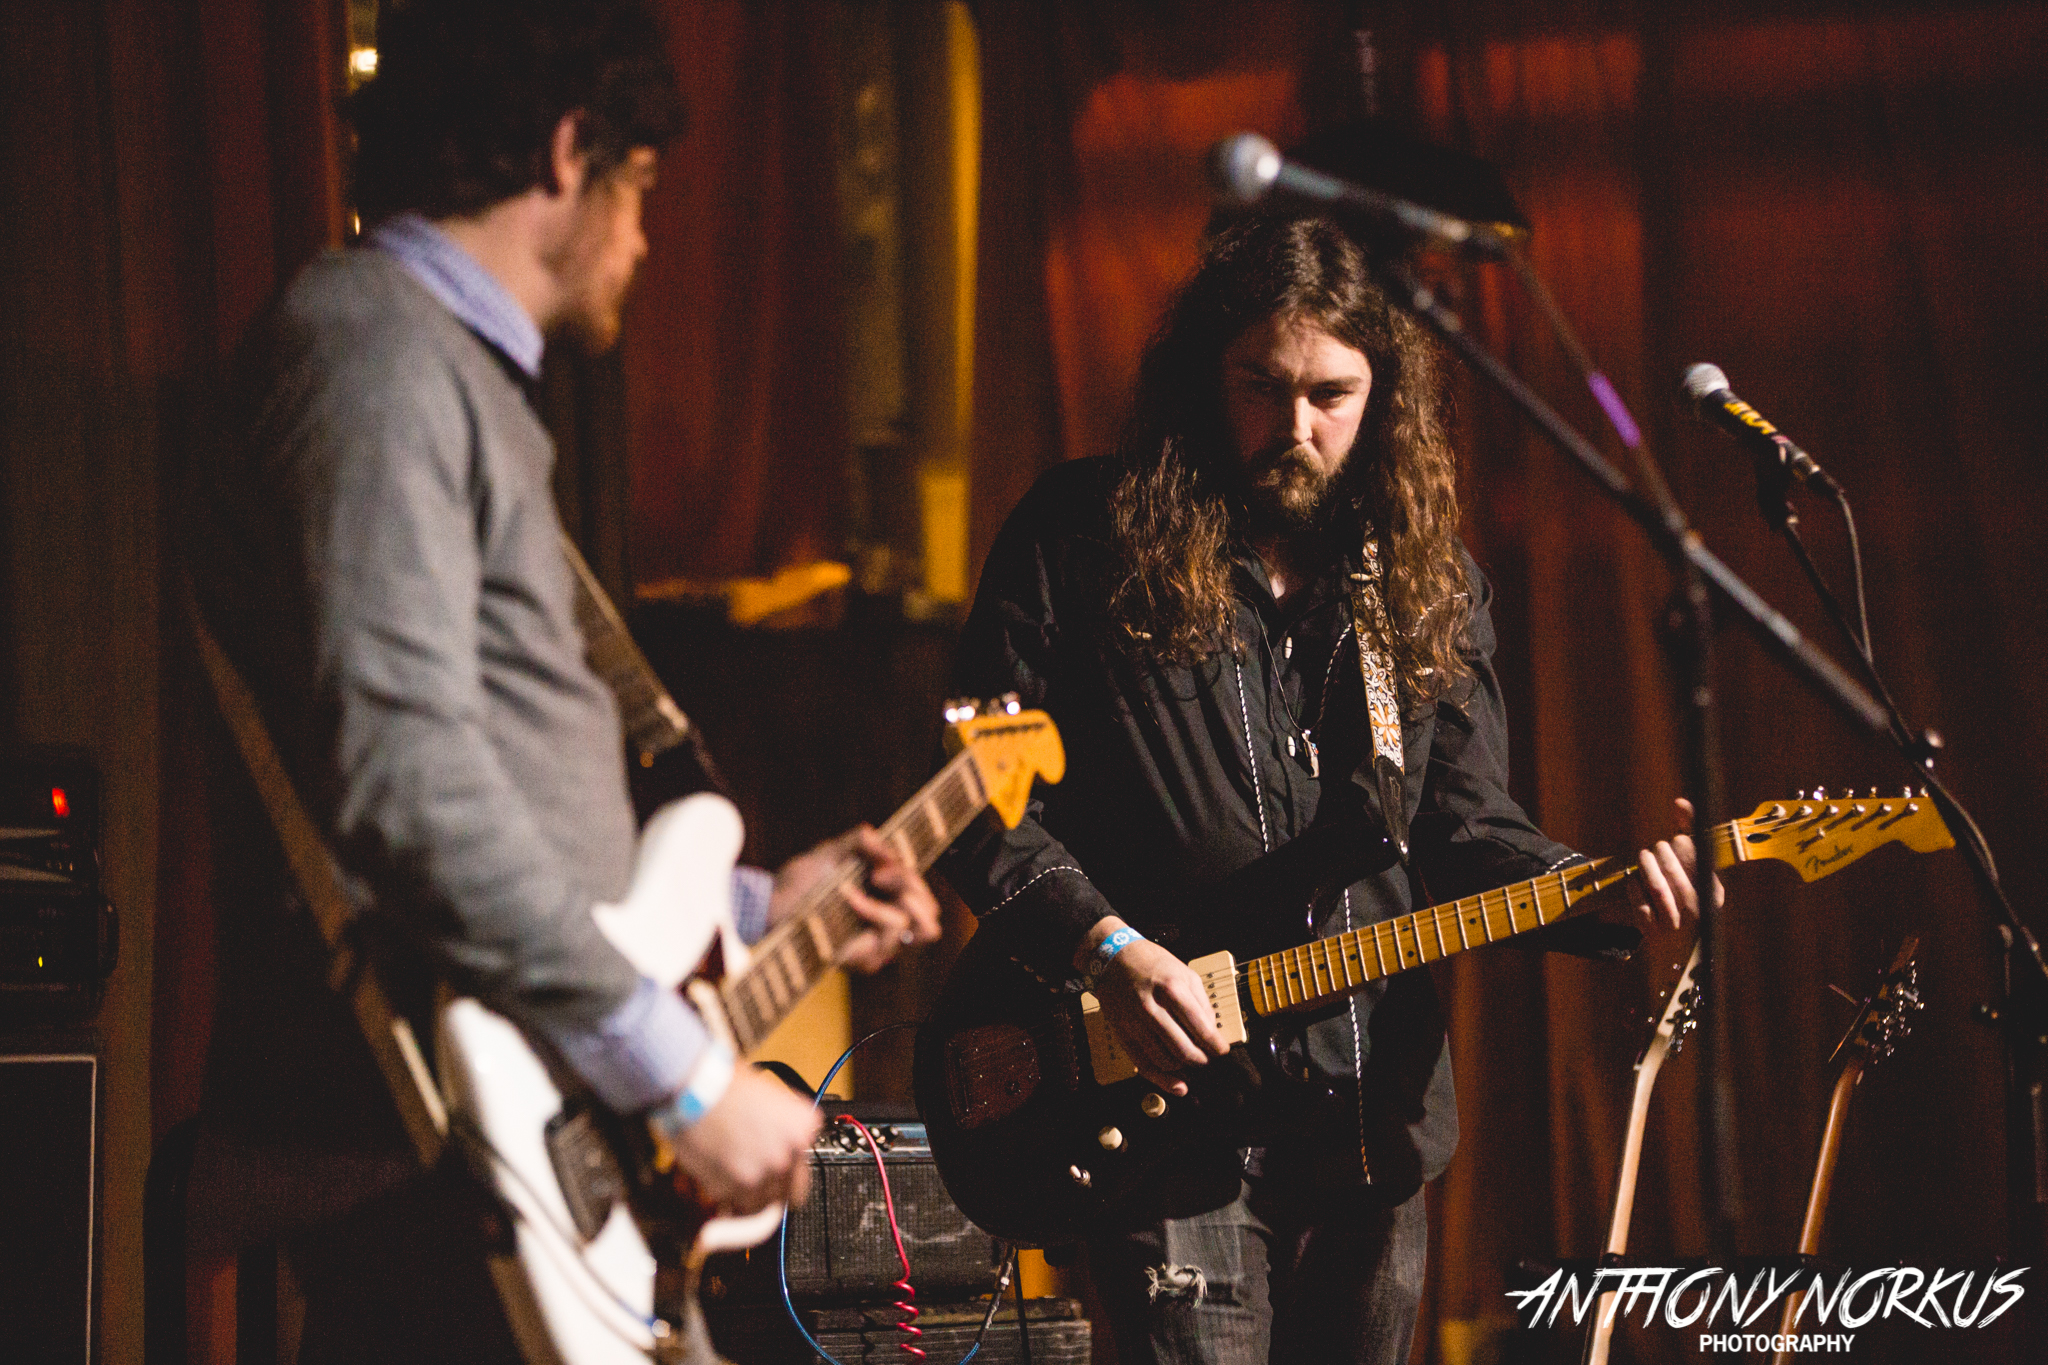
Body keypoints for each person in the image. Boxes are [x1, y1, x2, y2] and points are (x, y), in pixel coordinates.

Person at [188, 2, 939, 1360]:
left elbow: (502, 784)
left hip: (524, 1127)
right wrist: (683, 1074)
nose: (645, 238)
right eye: (637, 184)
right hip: (434, 1155)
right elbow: (407, 781)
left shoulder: (435, 368)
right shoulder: (373, 350)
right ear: (564, 151)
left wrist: (752, 905)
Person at [941, 212, 1713, 1364]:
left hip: (1361, 1124)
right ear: (1205, 378)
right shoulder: (1079, 538)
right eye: (1259, 386)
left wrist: (1600, 888)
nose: (1293, 428)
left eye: (1329, 395)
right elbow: (977, 800)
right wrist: (1105, 952)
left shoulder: (1423, 582)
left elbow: (1464, 828)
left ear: (1380, 399)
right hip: (1164, 1123)